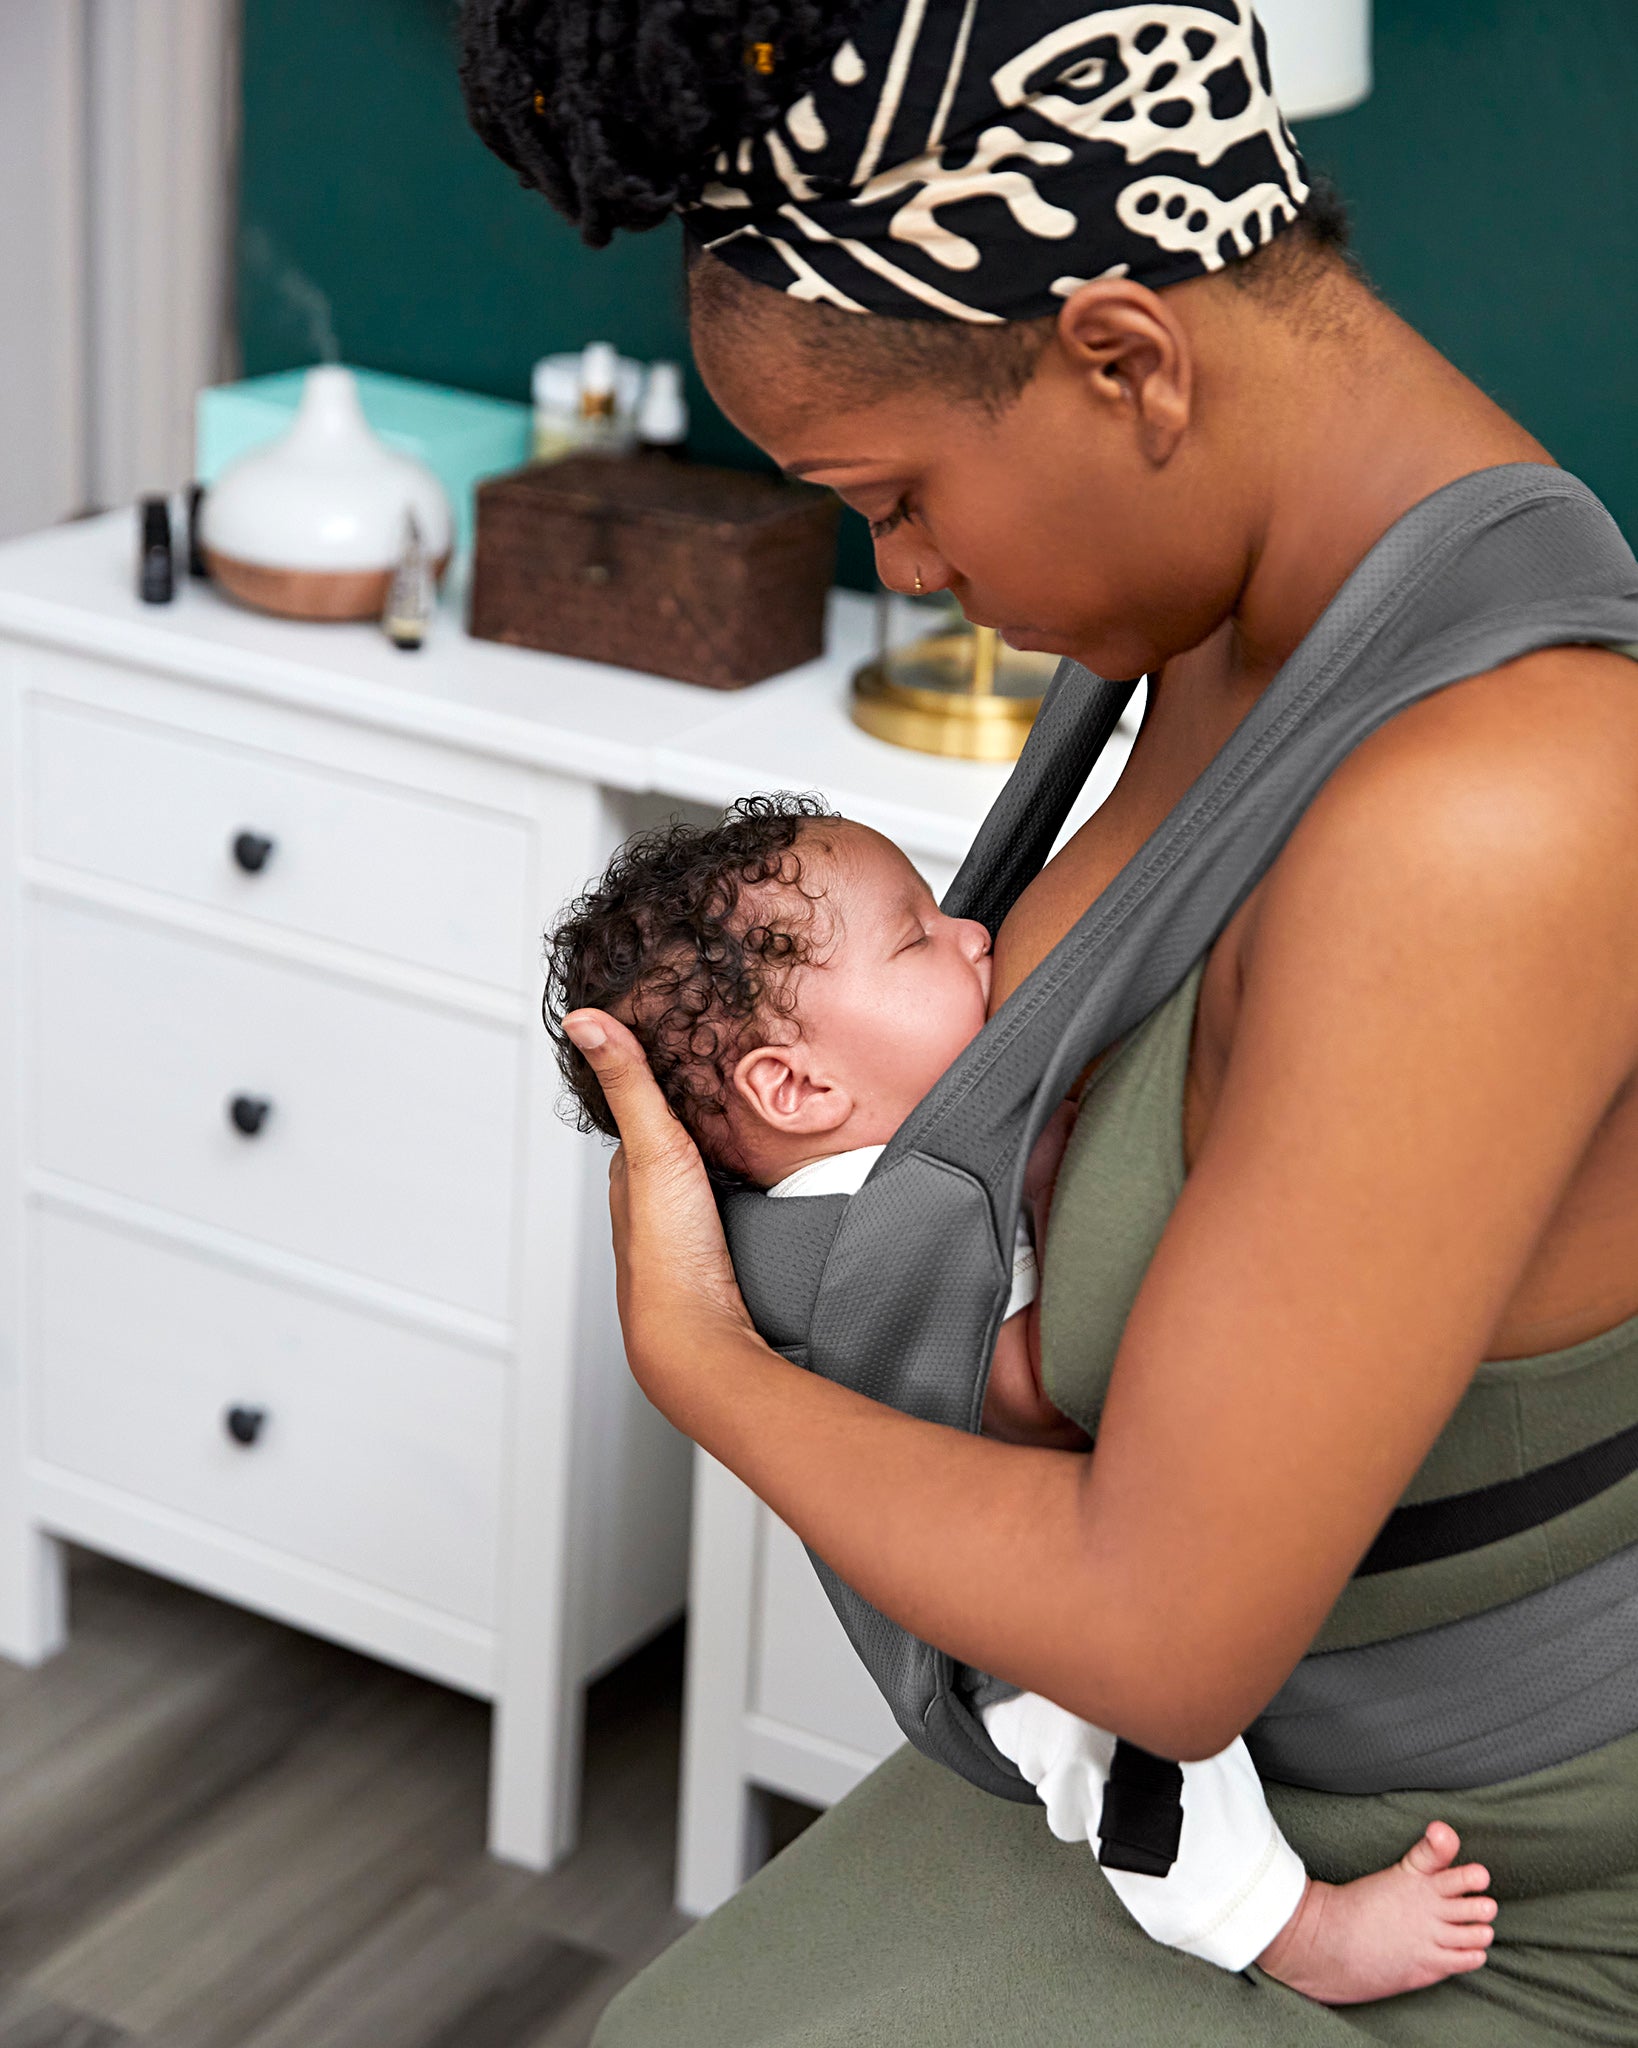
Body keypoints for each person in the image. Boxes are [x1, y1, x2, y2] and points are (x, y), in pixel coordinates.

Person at [460, 1, 1638, 2038]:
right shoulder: (1220, 628)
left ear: (1123, 359)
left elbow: (1162, 1641)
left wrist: (706, 1362)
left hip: (1465, 1876)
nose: (913, 571)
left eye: (894, 495)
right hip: (1231, 1811)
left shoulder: (1490, 810)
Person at [545, 792, 1501, 2003]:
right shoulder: (846, 1241)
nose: (975, 934)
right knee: (1131, 1749)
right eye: (917, 937)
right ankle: (1282, 1923)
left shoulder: (888, 1161)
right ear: (795, 1088)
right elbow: (1017, 1393)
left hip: (1047, 1540)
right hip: (999, 1637)